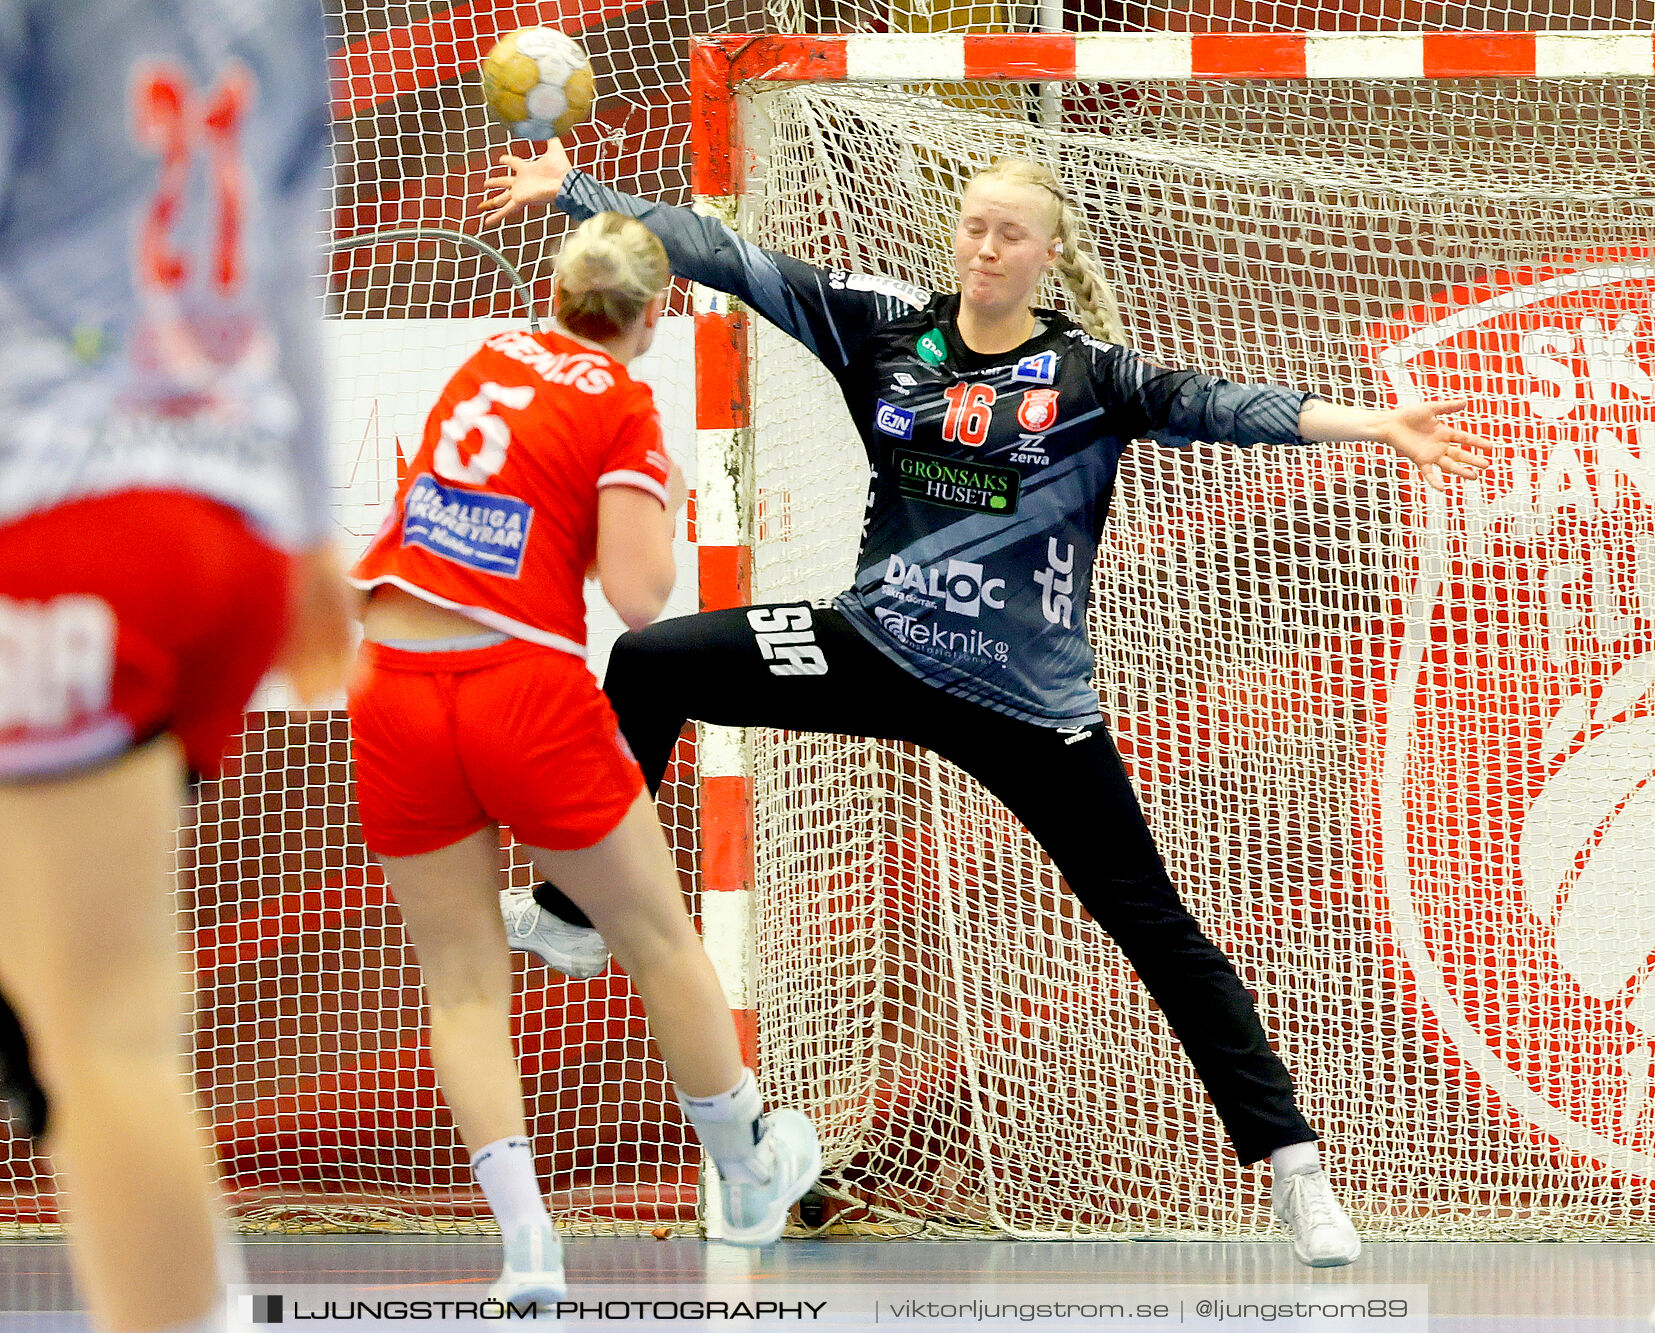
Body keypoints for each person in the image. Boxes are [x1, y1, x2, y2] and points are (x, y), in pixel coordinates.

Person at [480, 142, 1497, 1268]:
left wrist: (1372, 425)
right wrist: (579, 193)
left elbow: (1219, 405)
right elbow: (725, 257)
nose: (983, 249)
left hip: (1024, 703)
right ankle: (577, 916)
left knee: (1153, 929)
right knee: (652, 659)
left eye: (1008, 235)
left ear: (1044, 254)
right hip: (870, 644)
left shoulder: (1086, 376)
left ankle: (1294, 1170)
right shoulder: (883, 332)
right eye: (972, 229)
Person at [346, 210, 821, 1305]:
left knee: (459, 982)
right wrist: (658, 492)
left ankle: (526, 1246)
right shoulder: (623, 403)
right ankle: (747, 1177)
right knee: (654, 933)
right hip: (520, 690)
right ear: (653, 314)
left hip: (395, 684)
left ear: (555, 297)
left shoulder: (486, 355)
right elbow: (640, 596)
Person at [0, 4, 352, 1331]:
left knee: (102, 1040)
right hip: (226, 523)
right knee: (81, 1011)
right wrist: (313, 530)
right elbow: (281, 260)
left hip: (67, 512)